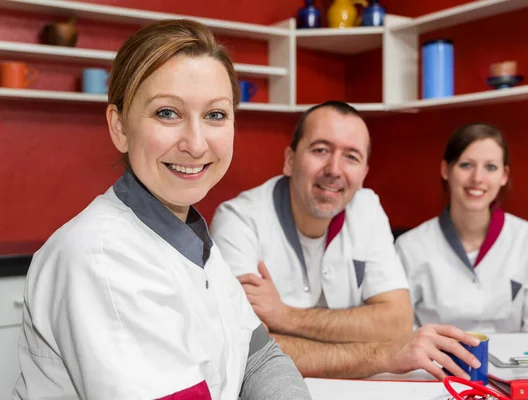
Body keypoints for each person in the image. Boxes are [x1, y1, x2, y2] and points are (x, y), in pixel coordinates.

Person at [13, 19, 310, 400]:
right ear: (119, 127)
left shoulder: (192, 238)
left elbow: (259, 359)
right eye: (167, 113)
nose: (196, 143)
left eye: (215, 114)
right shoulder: (100, 259)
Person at [210, 101, 483, 380]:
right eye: (320, 150)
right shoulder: (239, 220)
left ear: (364, 173)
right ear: (290, 161)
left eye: (351, 157)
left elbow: (397, 322)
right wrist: (382, 353)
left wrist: (286, 317)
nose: (334, 169)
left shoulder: (366, 207)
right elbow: (249, 347)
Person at [395, 122, 528, 333]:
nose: (477, 178)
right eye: (466, 165)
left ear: (504, 176)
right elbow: (401, 335)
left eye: (490, 167)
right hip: (434, 365)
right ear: (445, 170)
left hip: (513, 365)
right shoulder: (409, 247)